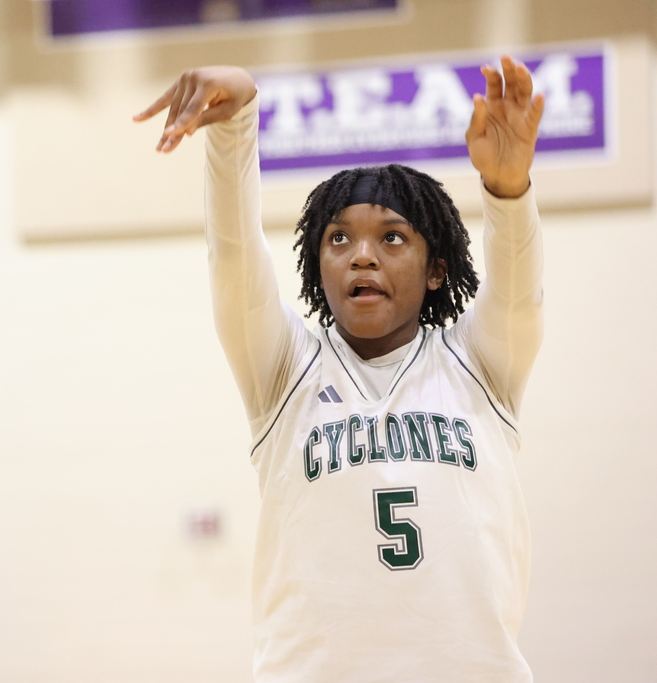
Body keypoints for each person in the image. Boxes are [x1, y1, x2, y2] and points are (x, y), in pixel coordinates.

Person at [134, 57, 545, 682]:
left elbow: (520, 293)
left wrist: (509, 191)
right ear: (316, 265)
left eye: (392, 238)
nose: (362, 257)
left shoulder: (479, 363)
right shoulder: (285, 368)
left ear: (437, 270)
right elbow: (234, 256)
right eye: (339, 239)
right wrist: (235, 125)